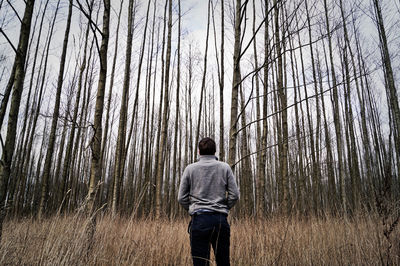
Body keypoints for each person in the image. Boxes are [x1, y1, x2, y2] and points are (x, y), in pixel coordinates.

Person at [178, 137, 240, 266]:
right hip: (220, 220)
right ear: (215, 151)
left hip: (199, 220)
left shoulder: (190, 169)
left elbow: (181, 198)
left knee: (201, 263)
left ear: (199, 152)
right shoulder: (225, 168)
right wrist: (224, 208)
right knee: (223, 262)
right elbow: (234, 195)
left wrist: (192, 209)